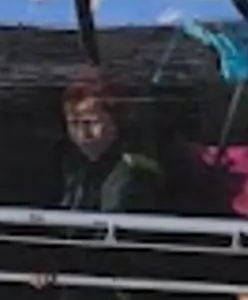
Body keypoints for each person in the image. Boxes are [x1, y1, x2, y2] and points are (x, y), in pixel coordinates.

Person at [52, 71, 164, 214]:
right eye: (74, 123)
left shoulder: (135, 173)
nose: (82, 134)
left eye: (90, 123)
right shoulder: (72, 166)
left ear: (116, 120)